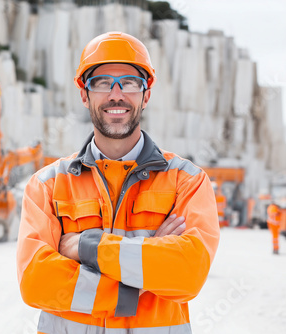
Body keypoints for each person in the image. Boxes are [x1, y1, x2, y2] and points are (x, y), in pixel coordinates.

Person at [16, 32, 220, 333]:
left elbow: (187, 273)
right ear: (85, 95)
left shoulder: (186, 181)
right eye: (101, 83)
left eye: (130, 83)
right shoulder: (47, 185)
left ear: (146, 95)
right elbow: (36, 282)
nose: (116, 94)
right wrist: (139, 277)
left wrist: (86, 247)